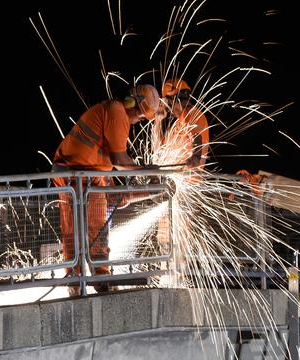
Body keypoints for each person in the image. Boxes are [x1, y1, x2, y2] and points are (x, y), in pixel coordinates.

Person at [51, 84, 162, 293]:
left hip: (91, 175)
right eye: (139, 114)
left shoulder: (116, 119)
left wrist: (151, 191)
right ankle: (75, 280)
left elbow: (118, 198)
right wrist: (146, 170)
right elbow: (119, 159)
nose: (138, 119)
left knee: (98, 229)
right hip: (72, 174)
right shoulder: (117, 112)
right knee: (73, 230)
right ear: (131, 103)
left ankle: (101, 279)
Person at [153, 79, 209, 170]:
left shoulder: (193, 114)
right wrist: (158, 121)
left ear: (170, 101)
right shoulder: (179, 122)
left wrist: (196, 156)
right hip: (175, 178)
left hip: (188, 179)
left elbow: (197, 137)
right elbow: (160, 148)